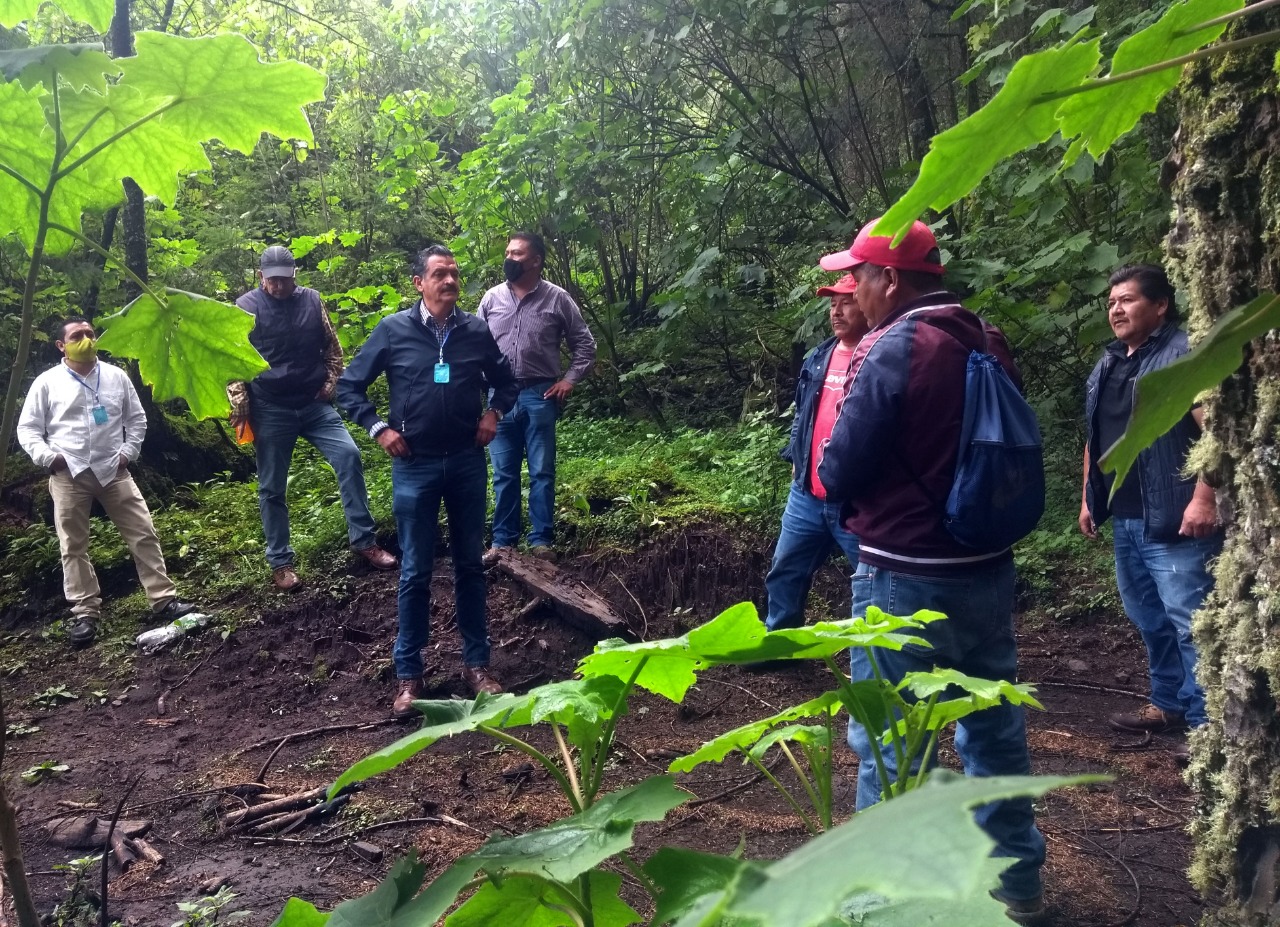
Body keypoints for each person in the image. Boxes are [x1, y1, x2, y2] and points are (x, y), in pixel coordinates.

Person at [817, 219, 1046, 924]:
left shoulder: (893, 348)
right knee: (993, 727)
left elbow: (840, 465)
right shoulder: (985, 335)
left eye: (859, 274)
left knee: (891, 743)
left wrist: (837, 480)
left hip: (902, 577)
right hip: (984, 565)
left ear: (891, 279)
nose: (852, 287)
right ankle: (1015, 885)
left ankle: (888, 904)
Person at [337, 245, 518, 717]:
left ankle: (477, 666)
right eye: (439, 274)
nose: (449, 280)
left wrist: (494, 413)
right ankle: (409, 677)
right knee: (415, 571)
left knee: (469, 568)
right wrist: (380, 429)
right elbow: (349, 385)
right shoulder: (393, 330)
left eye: (454, 273)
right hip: (413, 466)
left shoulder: (475, 331)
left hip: (465, 461)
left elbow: (507, 380)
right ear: (419, 282)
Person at [1080, 264, 1220, 740]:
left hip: (1178, 518)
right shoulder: (1110, 362)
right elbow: (1096, 436)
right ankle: (1168, 704)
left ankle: (1207, 726)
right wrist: (1088, 497)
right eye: (1111, 302)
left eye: (1128, 299)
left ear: (1161, 304)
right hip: (1128, 516)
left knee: (1190, 622)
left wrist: (1204, 498)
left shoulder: (1184, 355)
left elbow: (1219, 432)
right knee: (1149, 618)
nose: (1116, 309)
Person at [17, 319, 198, 648]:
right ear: (62, 345)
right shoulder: (47, 383)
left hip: (113, 470)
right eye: (76, 336)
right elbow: (28, 428)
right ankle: (85, 612)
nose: (85, 340)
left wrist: (128, 453)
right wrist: (49, 458)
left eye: (89, 334)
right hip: (69, 472)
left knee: (142, 531)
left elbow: (137, 418)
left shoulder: (115, 376)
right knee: (73, 545)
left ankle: (163, 599)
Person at [230, 246, 398, 592]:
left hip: (314, 404)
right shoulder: (245, 308)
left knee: (349, 456)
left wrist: (330, 383)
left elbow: (333, 348)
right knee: (272, 487)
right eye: (272, 279)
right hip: (270, 406)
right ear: (261, 276)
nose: (279, 285)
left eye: (285, 279)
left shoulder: (311, 300)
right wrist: (240, 406)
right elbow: (232, 362)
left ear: (295, 275)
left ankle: (364, 541)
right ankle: (281, 562)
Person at [478, 232, 596, 560]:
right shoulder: (491, 299)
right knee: (504, 473)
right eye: (508, 252)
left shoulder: (557, 299)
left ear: (535, 260)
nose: (509, 259)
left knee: (542, 471)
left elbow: (585, 344)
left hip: (539, 393)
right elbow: (473, 348)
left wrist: (569, 380)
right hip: (498, 398)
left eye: (517, 254)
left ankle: (541, 540)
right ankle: (503, 542)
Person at [763, 275, 866, 631]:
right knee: (785, 571)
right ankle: (778, 644)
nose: (837, 312)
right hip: (806, 493)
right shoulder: (820, 356)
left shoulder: (879, 356)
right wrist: (795, 459)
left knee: (872, 582)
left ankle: (875, 663)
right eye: (832, 304)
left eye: (846, 302)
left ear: (867, 301)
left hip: (856, 501)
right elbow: (803, 414)